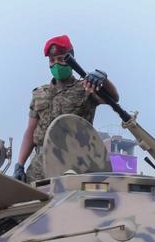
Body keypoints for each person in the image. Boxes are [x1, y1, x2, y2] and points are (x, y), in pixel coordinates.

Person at [12, 34, 119, 182]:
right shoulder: (40, 94)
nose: (56, 64)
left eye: (61, 59)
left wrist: (103, 79)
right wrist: (19, 165)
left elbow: (114, 98)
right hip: (38, 168)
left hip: (73, 168)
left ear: (72, 59)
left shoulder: (86, 88)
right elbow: (30, 130)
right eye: (51, 60)